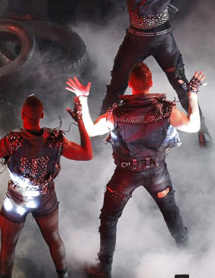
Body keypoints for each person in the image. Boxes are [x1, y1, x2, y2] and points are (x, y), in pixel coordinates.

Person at [66, 63, 204, 278]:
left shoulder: (117, 113)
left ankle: (104, 270)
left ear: (130, 85)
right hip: (157, 174)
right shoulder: (167, 109)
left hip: (125, 175)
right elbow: (194, 126)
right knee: (172, 214)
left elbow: (92, 130)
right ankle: (188, 260)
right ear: (150, 83)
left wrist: (83, 99)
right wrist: (192, 94)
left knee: (109, 219)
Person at [88, 0, 210, 146]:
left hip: (137, 38)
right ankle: (203, 131)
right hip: (163, 37)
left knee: (117, 86)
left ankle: (101, 131)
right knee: (181, 85)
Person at [0, 94, 93, 278]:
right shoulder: (55, 140)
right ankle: (64, 276)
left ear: (22, 114)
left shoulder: (12, 141)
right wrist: (81, 122)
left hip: (17, 200)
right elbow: (86, 154)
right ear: (42, 115)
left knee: (8, 244)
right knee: (53, 239)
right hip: (45, 198)